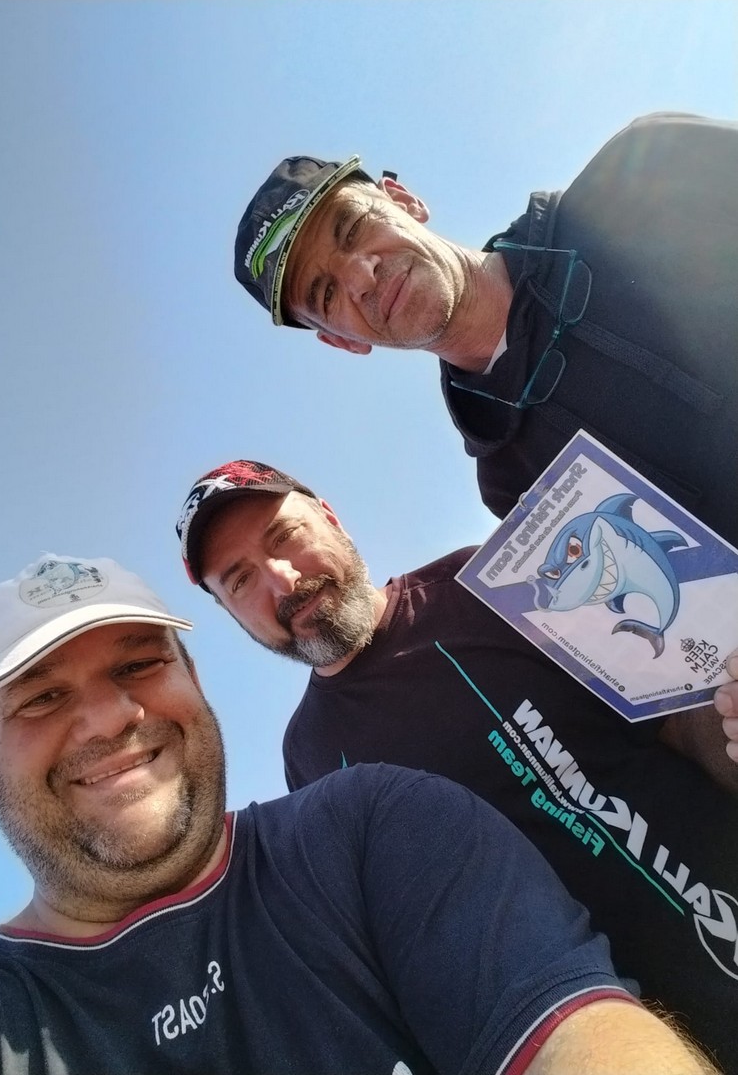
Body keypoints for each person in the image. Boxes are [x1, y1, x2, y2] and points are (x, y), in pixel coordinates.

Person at [0, 554, 721, 1075]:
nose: (110, 718)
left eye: (139, 663)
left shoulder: (374, 825)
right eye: (41, 698)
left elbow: (575, 1029)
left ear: (194, 681)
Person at [177, 459, 738, 1073]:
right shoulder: (307, 759)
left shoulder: (486, 586)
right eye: (240, 580)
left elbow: (681, 724)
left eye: (284, 536)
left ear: (330, 518)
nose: (282, 582)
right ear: (231, 613)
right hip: (600, 1047)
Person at [234, 113, 738, 548]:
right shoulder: (515, 489)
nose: (361, 276)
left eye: (352, 228)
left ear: (404, 201)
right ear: (342, 341)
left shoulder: (649, 172)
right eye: (325, 294)